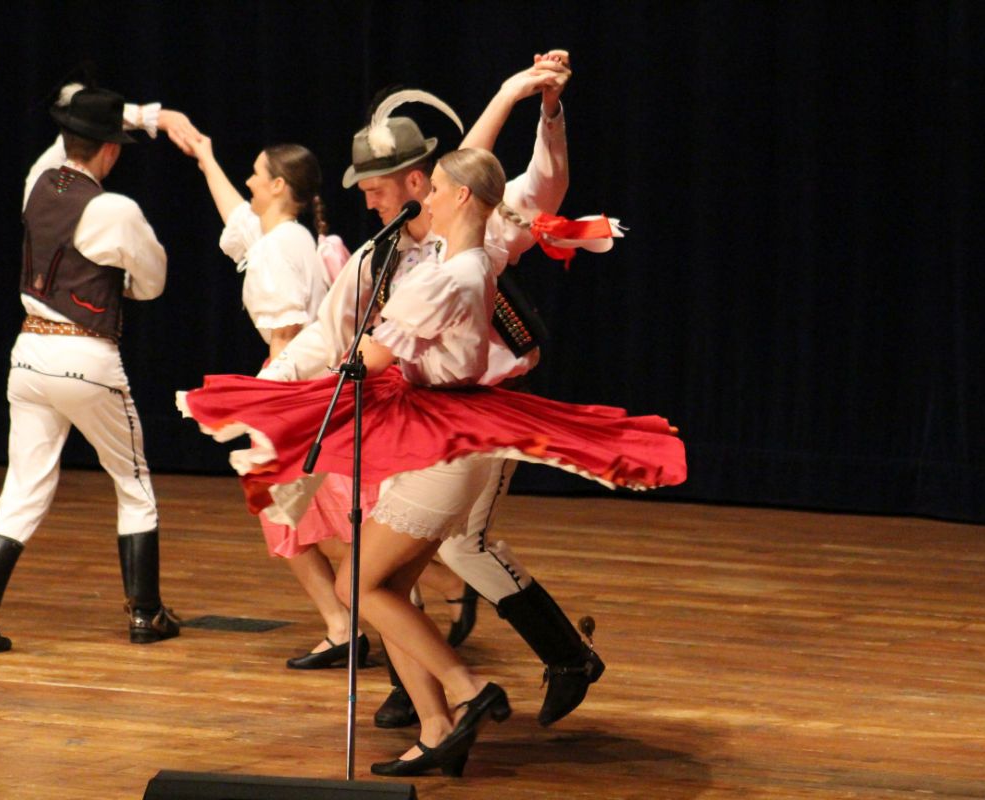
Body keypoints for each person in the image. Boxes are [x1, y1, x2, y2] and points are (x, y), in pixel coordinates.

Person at [178, 147, 685, 775]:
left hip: (443, 442)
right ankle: (438, 726)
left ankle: (470, 689)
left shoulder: (453, 275)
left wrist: (313, 379)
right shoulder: (457, 260)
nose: (427, 198)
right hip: (439, 433)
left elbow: (371, 355)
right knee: (388, 587)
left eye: (437, 187)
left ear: (460, 197)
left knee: (358, 584)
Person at [263, 51, 622, 730]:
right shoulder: (379, 256)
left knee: (454, 547)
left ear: (418, 182)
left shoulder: (475, 235)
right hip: (412, 421)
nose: (366, 199)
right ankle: (424, 689)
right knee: (387, 556)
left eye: (376, 186)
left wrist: (537, 105)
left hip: (474, 418)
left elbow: (539, 187)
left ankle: (553, 659)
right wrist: (265, 395)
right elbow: (325, 334)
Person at [0, 84, 199, 654]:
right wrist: (116, 282)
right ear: (110, 150)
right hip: (86, 357)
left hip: (28, 354)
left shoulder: (38, 182)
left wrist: (136, 116)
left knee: (23, 488)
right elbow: (153, 282)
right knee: (132, 482)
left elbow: (57, 151)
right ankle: (145, 613)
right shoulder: (114, 209)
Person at [185, 129, 377, 668]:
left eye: (254, 173)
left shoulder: (276, 249)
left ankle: (399, 600)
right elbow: (237, 220)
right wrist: (205, 156)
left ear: (276, 186)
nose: (247, 181)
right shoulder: (285, 237)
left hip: (293, 388)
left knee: (317, 514)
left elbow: (289, 334)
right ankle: (346, 623)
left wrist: (269, 404)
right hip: (302, 385)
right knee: (294, 513)